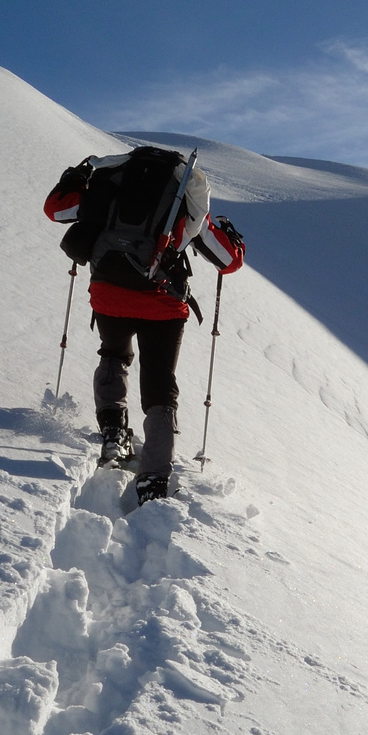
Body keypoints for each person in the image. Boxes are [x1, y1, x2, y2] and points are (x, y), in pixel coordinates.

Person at [44, 146, 244, 504]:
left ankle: (113, 432)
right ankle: (153, 477)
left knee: (114, 354)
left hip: (108, 292)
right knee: (160, 385)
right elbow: (228, 260)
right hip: (163, 302)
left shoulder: (109, 182)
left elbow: (58, 209)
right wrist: (231, 234)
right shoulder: (181, 193)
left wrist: (75, 178)